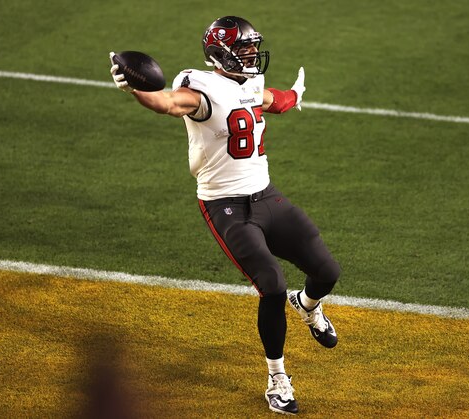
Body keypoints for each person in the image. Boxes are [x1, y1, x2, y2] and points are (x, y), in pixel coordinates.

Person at [109, 16, 340, 415]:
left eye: (254, 46)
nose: (252, 53)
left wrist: (293, 96)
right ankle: (277, 377)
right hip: (226, 206)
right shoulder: (199, 89)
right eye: (245, 48)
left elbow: (268, 100)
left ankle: (306, 305)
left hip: (267, 195)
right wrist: (136, 88)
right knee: (270, 284)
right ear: (219, 52)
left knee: (327, 271)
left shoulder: (247, 83)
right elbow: (166, 102)